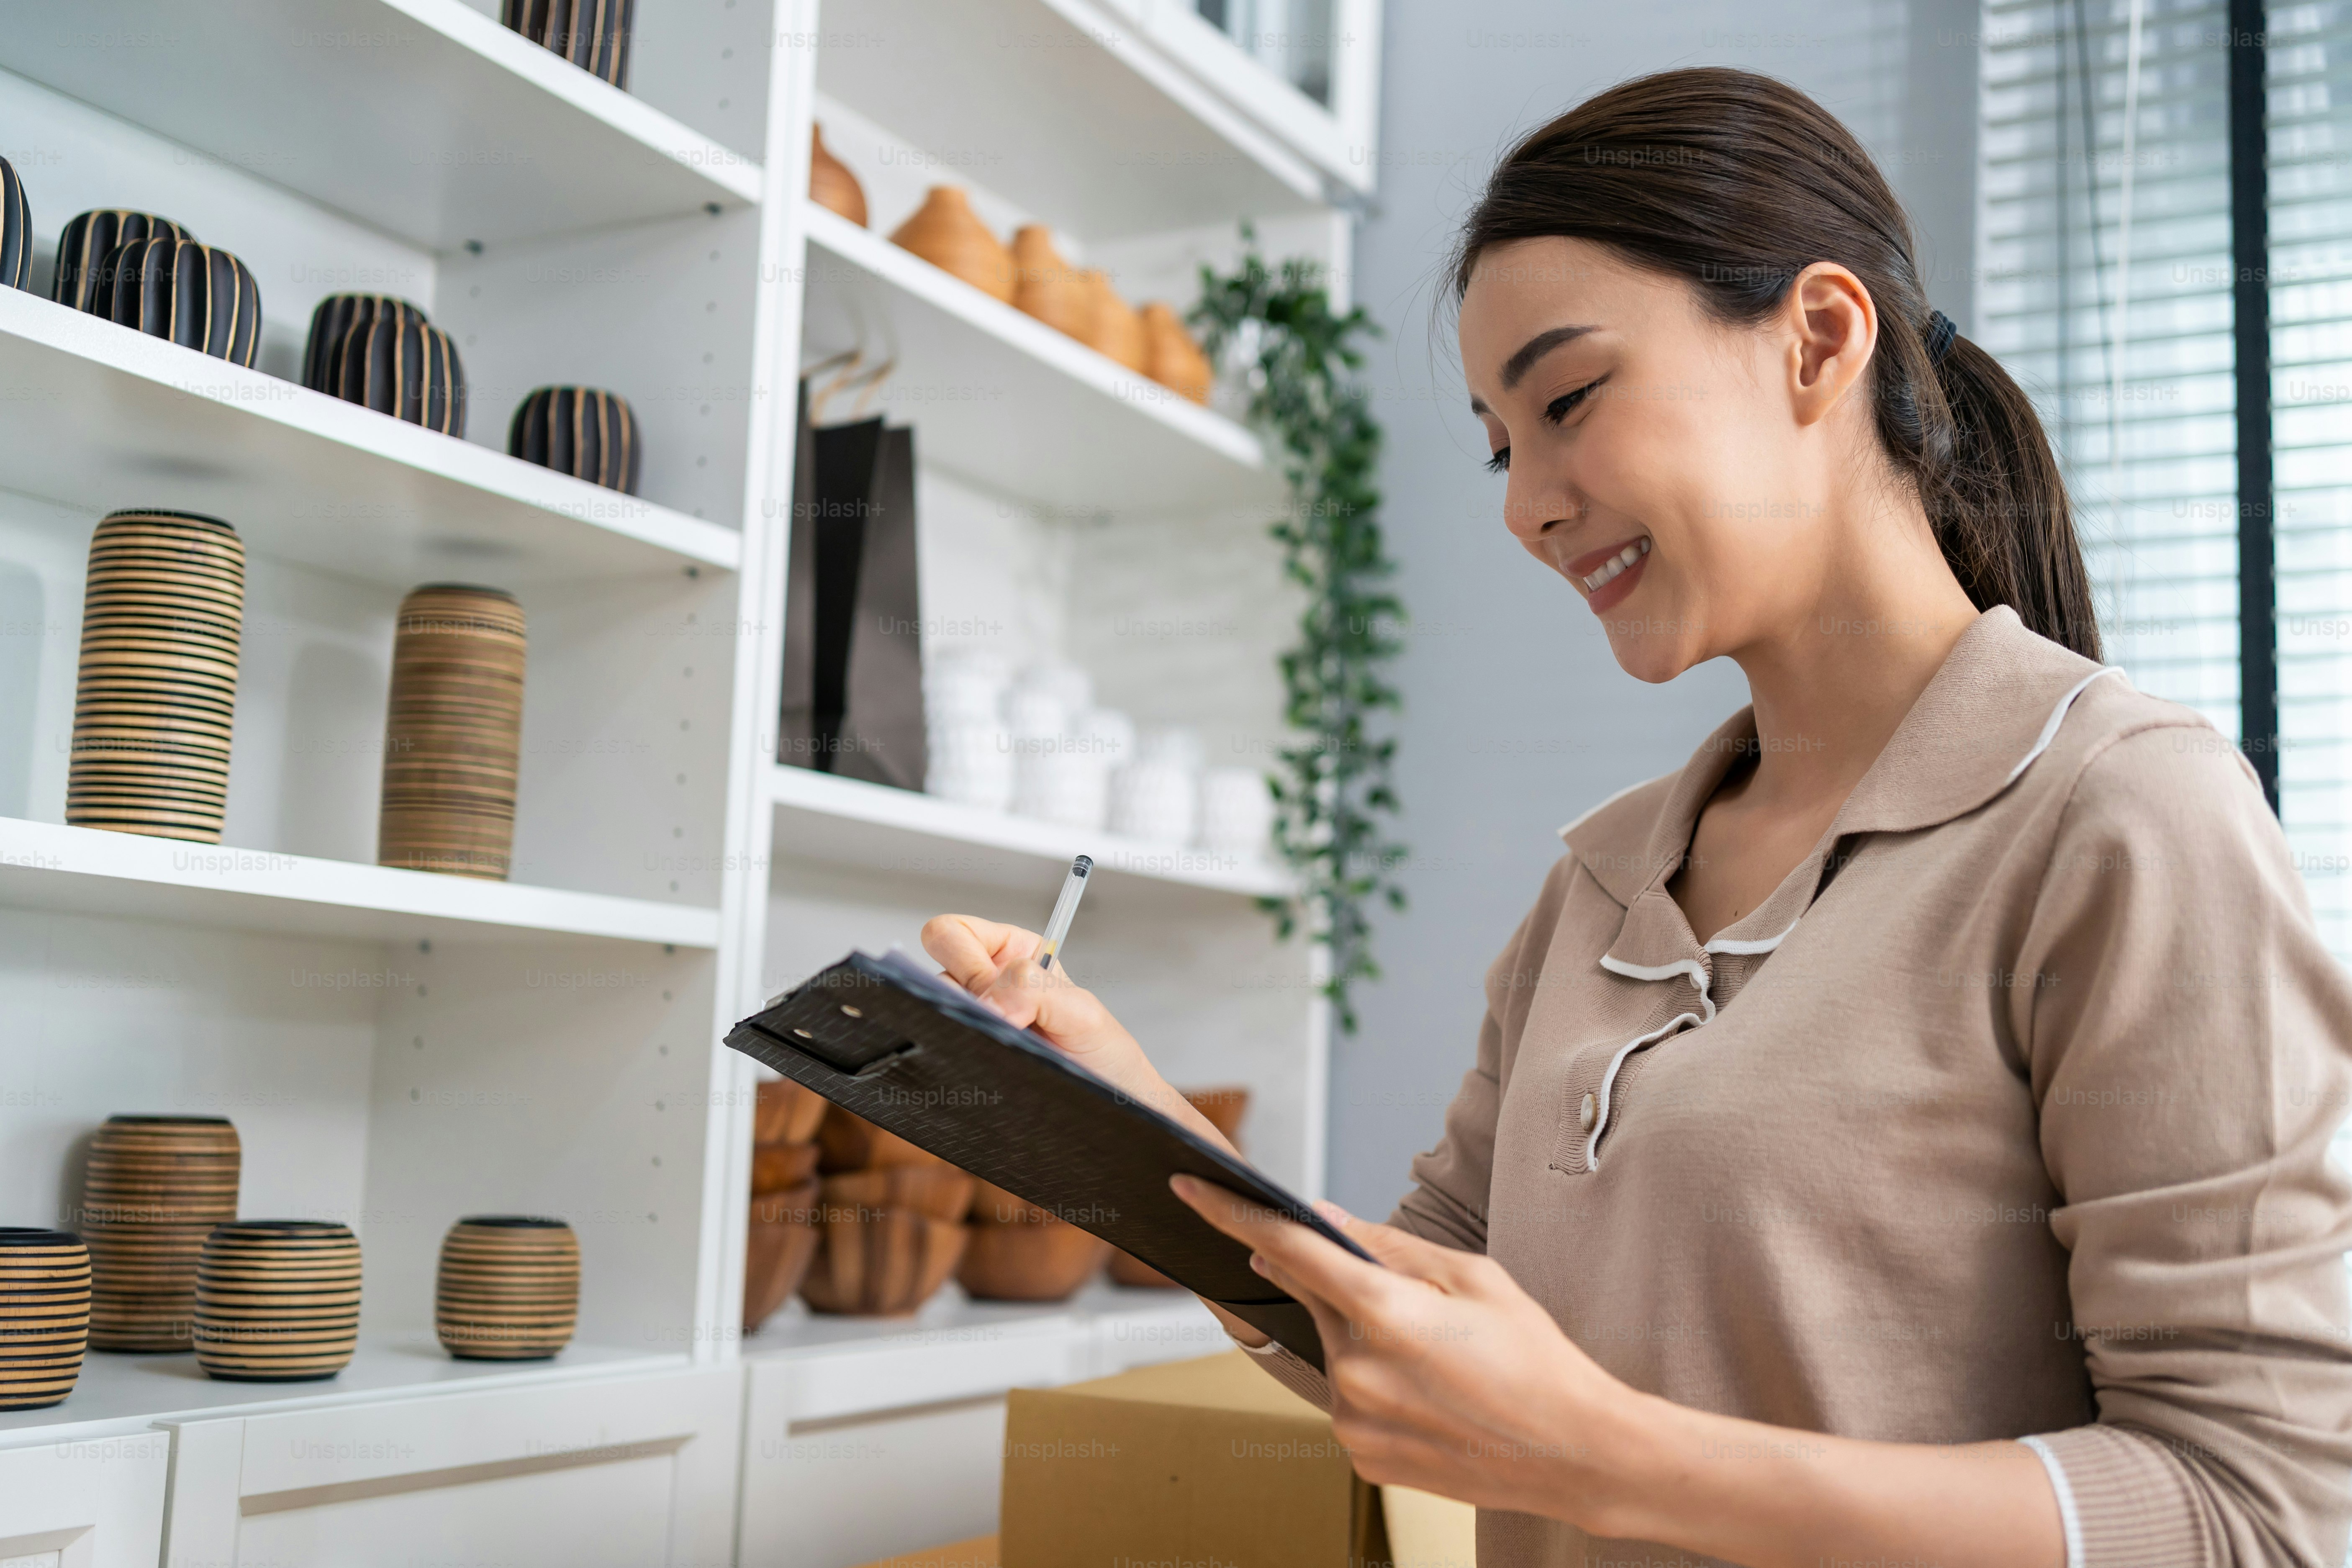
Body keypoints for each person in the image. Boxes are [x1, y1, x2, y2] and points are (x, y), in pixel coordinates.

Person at [922, 67, 2352, 1568]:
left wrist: (1604, 1459)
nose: (1523, 504)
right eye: (1501, 444)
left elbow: (2256, 1508)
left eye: (1567, 401)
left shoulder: (2120, 812)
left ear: (1818, 340)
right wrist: (1117, 1106)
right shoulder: (1602, 881)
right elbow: (1403, 1341)